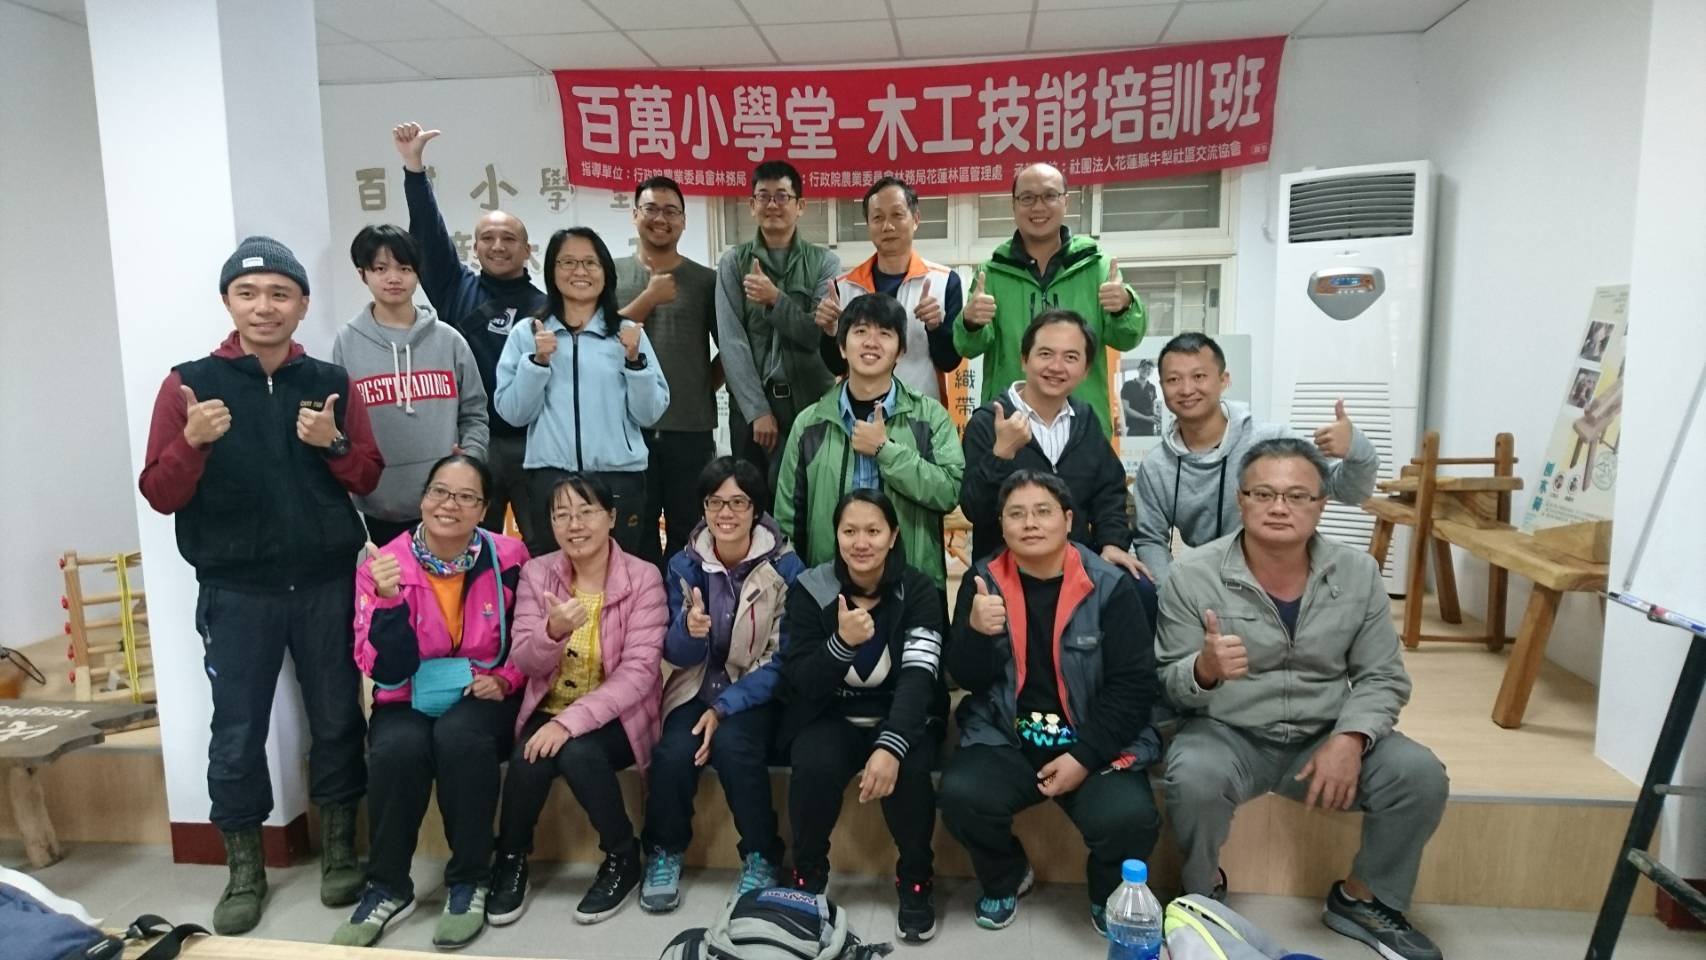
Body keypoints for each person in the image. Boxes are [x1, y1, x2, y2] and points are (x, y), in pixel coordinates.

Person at [137, 236, 383, 934]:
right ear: (228, 303)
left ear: (302, 304)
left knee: (337, 718)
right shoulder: (188, 385)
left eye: (280, 293)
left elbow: (368, 476)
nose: (264, 306)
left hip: (327, 582)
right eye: (248, 293)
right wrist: (192, 441)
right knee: (237, 730)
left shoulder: (330, 381)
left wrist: (334, 444)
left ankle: (340, 849)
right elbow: (159, 493)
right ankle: (244, 868)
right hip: (236, 590)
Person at [1156, 438, 1448, 960]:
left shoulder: (1357, 573)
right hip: (1227, 734)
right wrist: (1204, 670)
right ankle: (1201, 894)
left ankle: (1363, 899)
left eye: (1297, 496)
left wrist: (1351, 738)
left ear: (1321, 504)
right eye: (1263, 494)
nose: (1279, 507)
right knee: (1192, 775)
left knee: (1419, 773)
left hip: (1323, 735)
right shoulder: (1192, 574)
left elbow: (1383, 676)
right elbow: (1168, 682)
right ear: (1241, 500)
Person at [939, 470, 1160, 936]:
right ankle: (1006, 876)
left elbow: (1134, 687)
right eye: (1016, 514)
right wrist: (976, 634)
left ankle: (1106, 893)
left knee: (1130, 819)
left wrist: (1084, 756)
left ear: (1068, 520)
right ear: (1001, 526)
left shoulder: (1110, 586)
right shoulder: (983, 581)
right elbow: (966, 677)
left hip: (1091, 739)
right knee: (960, 795)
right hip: (1008, 736)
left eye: (1043, 511)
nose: (1030, 523)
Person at [333, 455, 528, 950]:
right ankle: (386, 885)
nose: (449, 505)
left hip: (483, 689)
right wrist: (389, 599)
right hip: (406, 691)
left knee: (461, 738)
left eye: (466, 496)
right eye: (440, 491)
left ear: (483, 508)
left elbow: (526, 636)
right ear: (422, 498)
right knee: (397, 748)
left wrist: (505, 679)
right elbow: (382, 669)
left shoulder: (509, 557)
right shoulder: (383, 564)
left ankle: (470, 880)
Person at [488, 474, 667, 926]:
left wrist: (567, 724)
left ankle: (622, 856)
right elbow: (525, 661)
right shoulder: (538, 573)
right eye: (562, 515)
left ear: (611, 517)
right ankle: (510, 858)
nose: (574, 525)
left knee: (578, 752)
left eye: (586, 512)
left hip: (619, 716)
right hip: (550, 704)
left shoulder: (644, 577)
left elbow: (638, 673)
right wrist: (551, 631)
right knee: (528, 760)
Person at [777, 490, 948, 943]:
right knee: (812, 763)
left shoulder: (919, 591)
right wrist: (841, 644)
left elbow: (920, 678)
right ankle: (808, 875)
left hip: (901, 716)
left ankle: (916, 878)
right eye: (849, 530)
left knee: (910, 769)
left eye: (873, 530)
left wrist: (891, 745)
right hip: (830, 714)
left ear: (893, 535)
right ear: (835, 534)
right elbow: (801, 680)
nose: (861, 542)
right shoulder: (811, 590)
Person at [640, 456, 804, 913]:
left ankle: (761, 855)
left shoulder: (786, 568)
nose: (725, 513)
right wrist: (688, 631)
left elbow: (783, 657)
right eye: (715, 502)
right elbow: (674, 654)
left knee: (735, 748)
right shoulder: (683, 564)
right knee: (674, 753)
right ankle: (664, 851)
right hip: (695, 685)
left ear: (756, 510)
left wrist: (724, 707)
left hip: (754, 689)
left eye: (738, 502)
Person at [395, 121, 546, 540]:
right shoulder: (454, 289)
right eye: (488, 238)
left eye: (509, 238)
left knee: (543, 549)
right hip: (471, 442)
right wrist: (413, 169)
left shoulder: (548, 307)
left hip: (535, 445)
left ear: (527, 249)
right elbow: (428, 233)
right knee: (471, 545)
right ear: (475, 247)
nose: (498, 246)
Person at [1132, 333, 1379, 586]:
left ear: (1224, 380)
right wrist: (1171, 593)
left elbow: (1352, 492)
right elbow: (1150, 539)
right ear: (1162, 386)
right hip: (1208, 583)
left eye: (1199, 376)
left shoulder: (1272, 442)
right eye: (1174, 379)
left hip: (1283, 578)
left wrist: (1356, 450)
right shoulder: (1156, 466)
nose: (1186, 389)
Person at [493, 227, 670, 564]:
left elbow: (650, 413)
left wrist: (635, 362)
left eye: (590, 263)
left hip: (619, 478)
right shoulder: (528, 333)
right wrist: (537, 362)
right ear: (552, 270)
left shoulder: (627, 334)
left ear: (605, 272)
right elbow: (513, 413)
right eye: (568, 262)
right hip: (550, 478)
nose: (580, 271)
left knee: (621, 577)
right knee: (556, 578)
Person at [775, 294, 963, 586]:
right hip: (828, 585)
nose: (871, 342)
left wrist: (885, 451)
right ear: (842, 347)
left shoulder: (930, 416)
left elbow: (949, 491)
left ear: (900, 351)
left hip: (910, 587)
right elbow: (788, 516)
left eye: (885, 333)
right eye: (860, 331)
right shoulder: (810, 423)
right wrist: (803, 587)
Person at [952, 163, 1145, 436]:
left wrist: (1124, 306)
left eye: (1049, 196)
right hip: (1012, 425)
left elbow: (1126, 338)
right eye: (1027, 198)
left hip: (1082, 426)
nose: (1038, 206)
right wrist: (970, 322)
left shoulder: (1096, 265)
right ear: (1014, 205)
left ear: (1066, 201)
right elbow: (968, 347)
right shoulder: (993, 271)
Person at [334, 224, 489, 546]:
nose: (393, 278)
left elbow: (475, 411)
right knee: (395, 579)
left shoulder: (448, 340)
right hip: (381, 502)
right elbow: (341, 421)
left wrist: (471, 458)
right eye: (381, 269)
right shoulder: (347, 342)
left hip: (449, 501)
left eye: (404, 268)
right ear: (363, 274)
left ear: (418, 273)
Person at [958, 310, 1143, 578]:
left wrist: (1112, 543)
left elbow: (1110, 492)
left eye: (1071, 357)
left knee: (1140, 588)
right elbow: (975, 510)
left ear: (1086, 369)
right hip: (1007, 572)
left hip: (1076, 569)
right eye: (1045, 354)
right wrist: (1001, 454)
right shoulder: (989, 422)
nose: (1056, 367)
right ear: (1024, 359)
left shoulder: (1085, 421)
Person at [716, 160, 841, 501]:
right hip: (752, 413)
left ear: (800, 206)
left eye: (782, 196)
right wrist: (757, 410)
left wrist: (775, 300)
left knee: (809, 503)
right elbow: (732, 342)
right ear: (751, 205)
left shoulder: (825, 263)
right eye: (764, 196)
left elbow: (817, 336)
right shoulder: (733, 263)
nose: (773, 204)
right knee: (751, 505)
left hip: (811, 405)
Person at [614, 176, 721, 566]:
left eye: (671, 211)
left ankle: (683, 604)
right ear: (635, 215)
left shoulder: (706, 281)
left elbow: (730, 350)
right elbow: (601, 339)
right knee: (632, 531)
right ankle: (641, 604)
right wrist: (650, 297)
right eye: (651, 209)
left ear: (683, 221)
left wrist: (699, 387)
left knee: (690, 532)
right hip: (625, 429)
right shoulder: (610, 274)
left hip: (690, 431)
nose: (661, 219)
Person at [814, 177, 961, 405]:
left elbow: (950, 361)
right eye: (878, 218)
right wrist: (831, 332)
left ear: (916, 219)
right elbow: (837, 366)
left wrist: (935, 328)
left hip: (921, 414)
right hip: (858, 415)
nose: (887, 226)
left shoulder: (944, 282)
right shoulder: (844, 286)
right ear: (868, 224)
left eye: (897, 215)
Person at [1120, 359, 1158, 437]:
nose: (1146, 370)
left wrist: (1156, 416)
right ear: (1138, 369)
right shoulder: (1128, 385)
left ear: (1152, 372)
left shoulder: (1152, 387)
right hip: (1134, 428)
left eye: (1149, 369)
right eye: (1144, 367)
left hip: (1149, 428)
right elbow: (1126, 409)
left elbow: (1153, 407)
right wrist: (1147, 418)